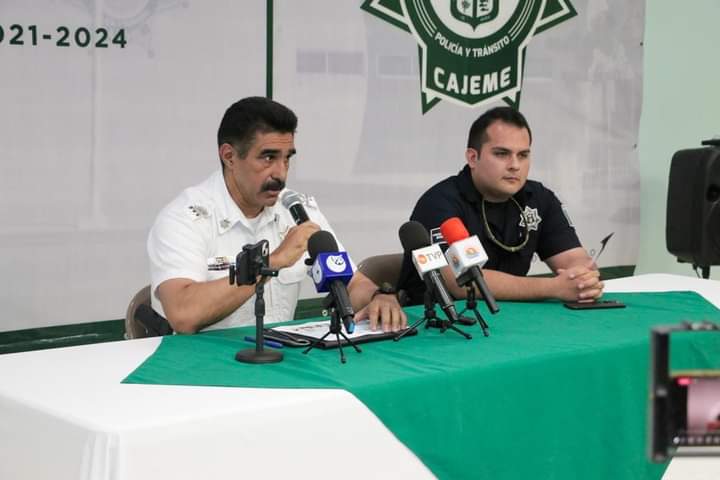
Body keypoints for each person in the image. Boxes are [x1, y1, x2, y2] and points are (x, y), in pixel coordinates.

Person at [147, 97, 406, 333]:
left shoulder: (296, 210)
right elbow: (183, 315)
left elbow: (350, 281)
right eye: (268, 158)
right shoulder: (184, 218)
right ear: (229, 157)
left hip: (280, 354)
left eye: (287, 159)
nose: (281, 173)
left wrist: (378, 298)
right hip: (202, 362)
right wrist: (274, 261)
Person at [397, 106, 604, 305]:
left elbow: (574, 259)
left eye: (523, 155)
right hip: (438, 321)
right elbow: (460, 281)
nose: (515, 165)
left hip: (511, 318)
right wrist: (553, 287)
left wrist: (583, 278)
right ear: (473, 158)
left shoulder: (540, 198)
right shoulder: (439, 202)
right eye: (502, 154)